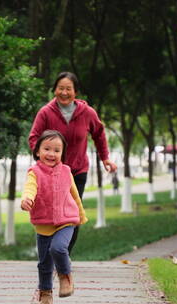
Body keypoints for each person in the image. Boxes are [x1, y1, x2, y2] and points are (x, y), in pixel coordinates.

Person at [29, 71, 117, 253]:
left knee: (72, 212)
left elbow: (99, 134)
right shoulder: (45, 113)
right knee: (51, 211)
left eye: (68, 89)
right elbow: (34, 137)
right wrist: (42, 158)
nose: (64, 92)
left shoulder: (87, 113)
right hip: (50, 174)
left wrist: (105, 157)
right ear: (54, 90)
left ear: (75, 92)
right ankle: (49, 251)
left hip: (77, 171)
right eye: (60, 88)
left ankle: (63, 253)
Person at [21, 130, 88, 304]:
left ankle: (65, 276)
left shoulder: (66, 171)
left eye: (57, 150)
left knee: (58, 248)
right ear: (37, 151)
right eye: (47, 149)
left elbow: (75, 195)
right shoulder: (34, 172)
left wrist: (81, 216)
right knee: (44, 264)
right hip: (44, 224)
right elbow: (30, 188)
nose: (51, 154)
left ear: (62, 154)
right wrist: (27, 199)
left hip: (67, 221)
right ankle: (45, 292)